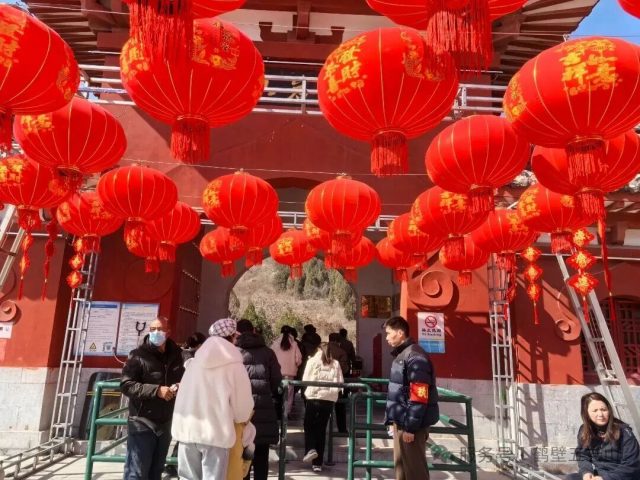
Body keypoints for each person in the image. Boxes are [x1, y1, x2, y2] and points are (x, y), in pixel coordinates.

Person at [171, 318, 254, 480]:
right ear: (232, 337)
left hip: (187, 431)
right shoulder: (235, 366)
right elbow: (243, 410)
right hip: (216, 433)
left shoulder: (194, 362)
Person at [121, 316, 185, 480]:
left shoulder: (177, 355)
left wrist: (179, 385)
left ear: (168, 332)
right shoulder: (137, 355)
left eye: (160, 329)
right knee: (136, 473)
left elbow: (184, 378)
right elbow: (126, 385)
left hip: (165, 422)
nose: (156, 332)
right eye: (152, 329)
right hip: (142, 421)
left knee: (155, 473)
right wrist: (156, 391)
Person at [384, 316, 439, 480]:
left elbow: (419, 395)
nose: (386, 337)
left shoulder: (415, 357)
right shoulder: (403, 355)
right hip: (401, 422)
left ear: (400, 333)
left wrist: (411, 428)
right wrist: (392, 420)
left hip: (411, 426)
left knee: (415, 471)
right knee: (402, 470)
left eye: (389, 333)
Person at [235, 318, 283, 480]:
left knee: (242, 455)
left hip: (241, 410)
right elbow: (276, 380)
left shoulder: (234, 352)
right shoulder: (268, 353)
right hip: (263, 408)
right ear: (254, 331)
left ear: (236, 333)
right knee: (261, 454)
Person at [566, 392, 640, 480]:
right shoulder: (585, 430)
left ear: (609, 410)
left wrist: (605, 478)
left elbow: (632, 464)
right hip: (599, 474)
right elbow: (582, 455)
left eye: (603, 410)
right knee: (571, 478)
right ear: (586, 414)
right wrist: (586, 472)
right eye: (595, 411)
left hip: (621, 476)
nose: (600, 414)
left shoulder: (624, 432)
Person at [301, 343, 344, 473]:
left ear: (318, 349)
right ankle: (317, 464)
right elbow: (340, 382)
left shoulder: (312, 361)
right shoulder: (335, 363)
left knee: (308, 425)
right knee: (321, 429)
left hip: (313, 398)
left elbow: (305, 379)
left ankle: (310, 449)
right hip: (329, 400)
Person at [271, 325, 302, 417]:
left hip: (277, 374)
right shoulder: (294, 344)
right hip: (289, 375)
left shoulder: (275, 343)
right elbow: (298, 359)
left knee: (277, 395)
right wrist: (295, 366)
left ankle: (277, 414)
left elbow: (270, 357)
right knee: (288, 396)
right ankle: (286, 414)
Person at [328, 332, 350, 433]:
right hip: (337, 383)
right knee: (340, 407)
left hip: (323, 384)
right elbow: (344, 369)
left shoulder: (321, 351)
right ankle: (342, 429)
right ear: (338, 341)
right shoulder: (342, 352)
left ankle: (322, 430)